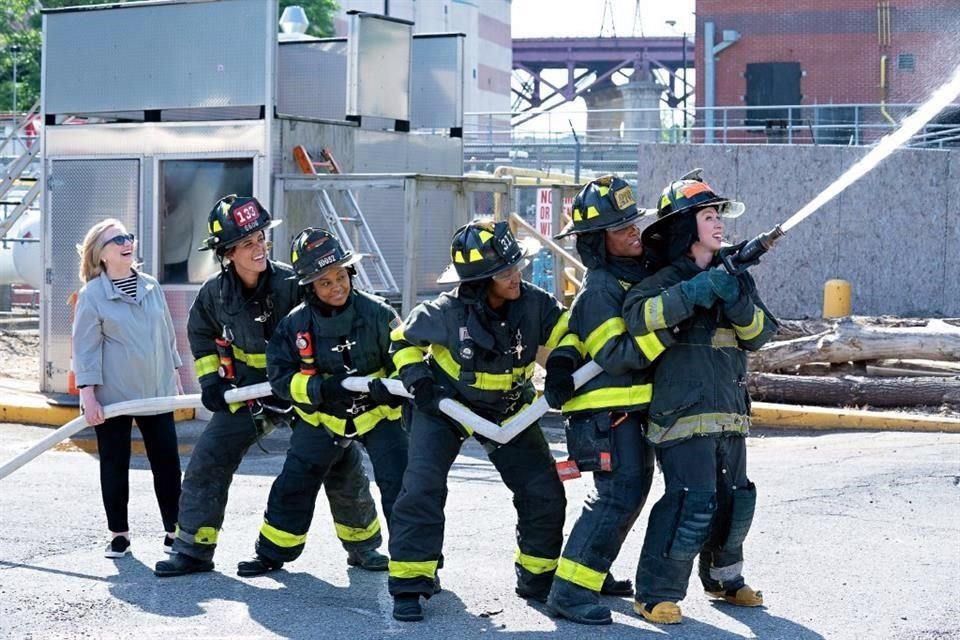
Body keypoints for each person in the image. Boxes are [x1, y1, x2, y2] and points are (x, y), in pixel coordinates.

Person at [155, 196, 385, 577]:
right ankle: (193, 549)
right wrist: (212, 380)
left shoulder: (294, 284)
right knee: (208, 459)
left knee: (339, 460)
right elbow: (201, 333)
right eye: (247, 243)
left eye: (261, 238)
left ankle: (363, 547)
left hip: (303, 389)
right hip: (251, 393)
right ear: (228, 253)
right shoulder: (214, 295)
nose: (259, 247)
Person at [387, 219, 570, 622]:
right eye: (505, 272)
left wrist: (561, 364)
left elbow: (567, 332)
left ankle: (537, 576)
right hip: (446, 409)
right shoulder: (444, 312)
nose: (515, 276)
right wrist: (419, 382)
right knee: (421, 488)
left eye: (516, 266)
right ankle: (410, 582)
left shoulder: (535, 304)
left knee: (542, 490)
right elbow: (401, 342)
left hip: (510, 408)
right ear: (479, 281)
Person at [621, 169, 777, 625]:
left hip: (729, 411)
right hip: (681, 415)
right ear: (685, 227)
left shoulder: (736, 277)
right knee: (691, 501)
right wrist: (696, 290)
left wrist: (734, 299)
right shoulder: (663, 279)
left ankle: (724, 580)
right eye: (708, 216)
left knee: (734, 500)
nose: (719, 223)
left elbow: (759, 334)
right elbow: (639, 316)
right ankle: (655, 593)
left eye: (718, 215)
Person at [235, 227, 407, 577]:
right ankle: (271, 553)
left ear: (350, 273)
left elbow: (407, 358)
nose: (336, 287)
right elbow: (280, 378)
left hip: (378, 414)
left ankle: (413, 564)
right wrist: (321, 390)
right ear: (310, 287)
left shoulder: (379, 314)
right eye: (325, 282)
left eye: (341, 276)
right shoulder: (294, 325)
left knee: (401, 484)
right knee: (295, 481)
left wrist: (389, 386)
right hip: (322, 417)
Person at [541, 176, 663, 625]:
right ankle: (569, 592)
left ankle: (593, 571)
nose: (634, 231)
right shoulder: (601, 288)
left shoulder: (630, 276)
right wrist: (669, 331)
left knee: (629, 493)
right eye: (620, 227)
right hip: (604, 414)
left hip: (625, 410)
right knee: (616, 496)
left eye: (633, 222)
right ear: (597, 241)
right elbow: (613, 355)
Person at [73, 218, 183, 558]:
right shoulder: (92, 295)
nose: (127, 243)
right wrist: (88, 395)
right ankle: (119, 534)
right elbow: (85, 349)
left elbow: (166, 335)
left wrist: (175, 374)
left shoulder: (151, 286)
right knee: (114, 464)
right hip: (113, 396)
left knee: (167, 463)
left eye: (128, 236)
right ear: (101, 254)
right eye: (117, 239)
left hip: (155, 390)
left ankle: (175, 532)